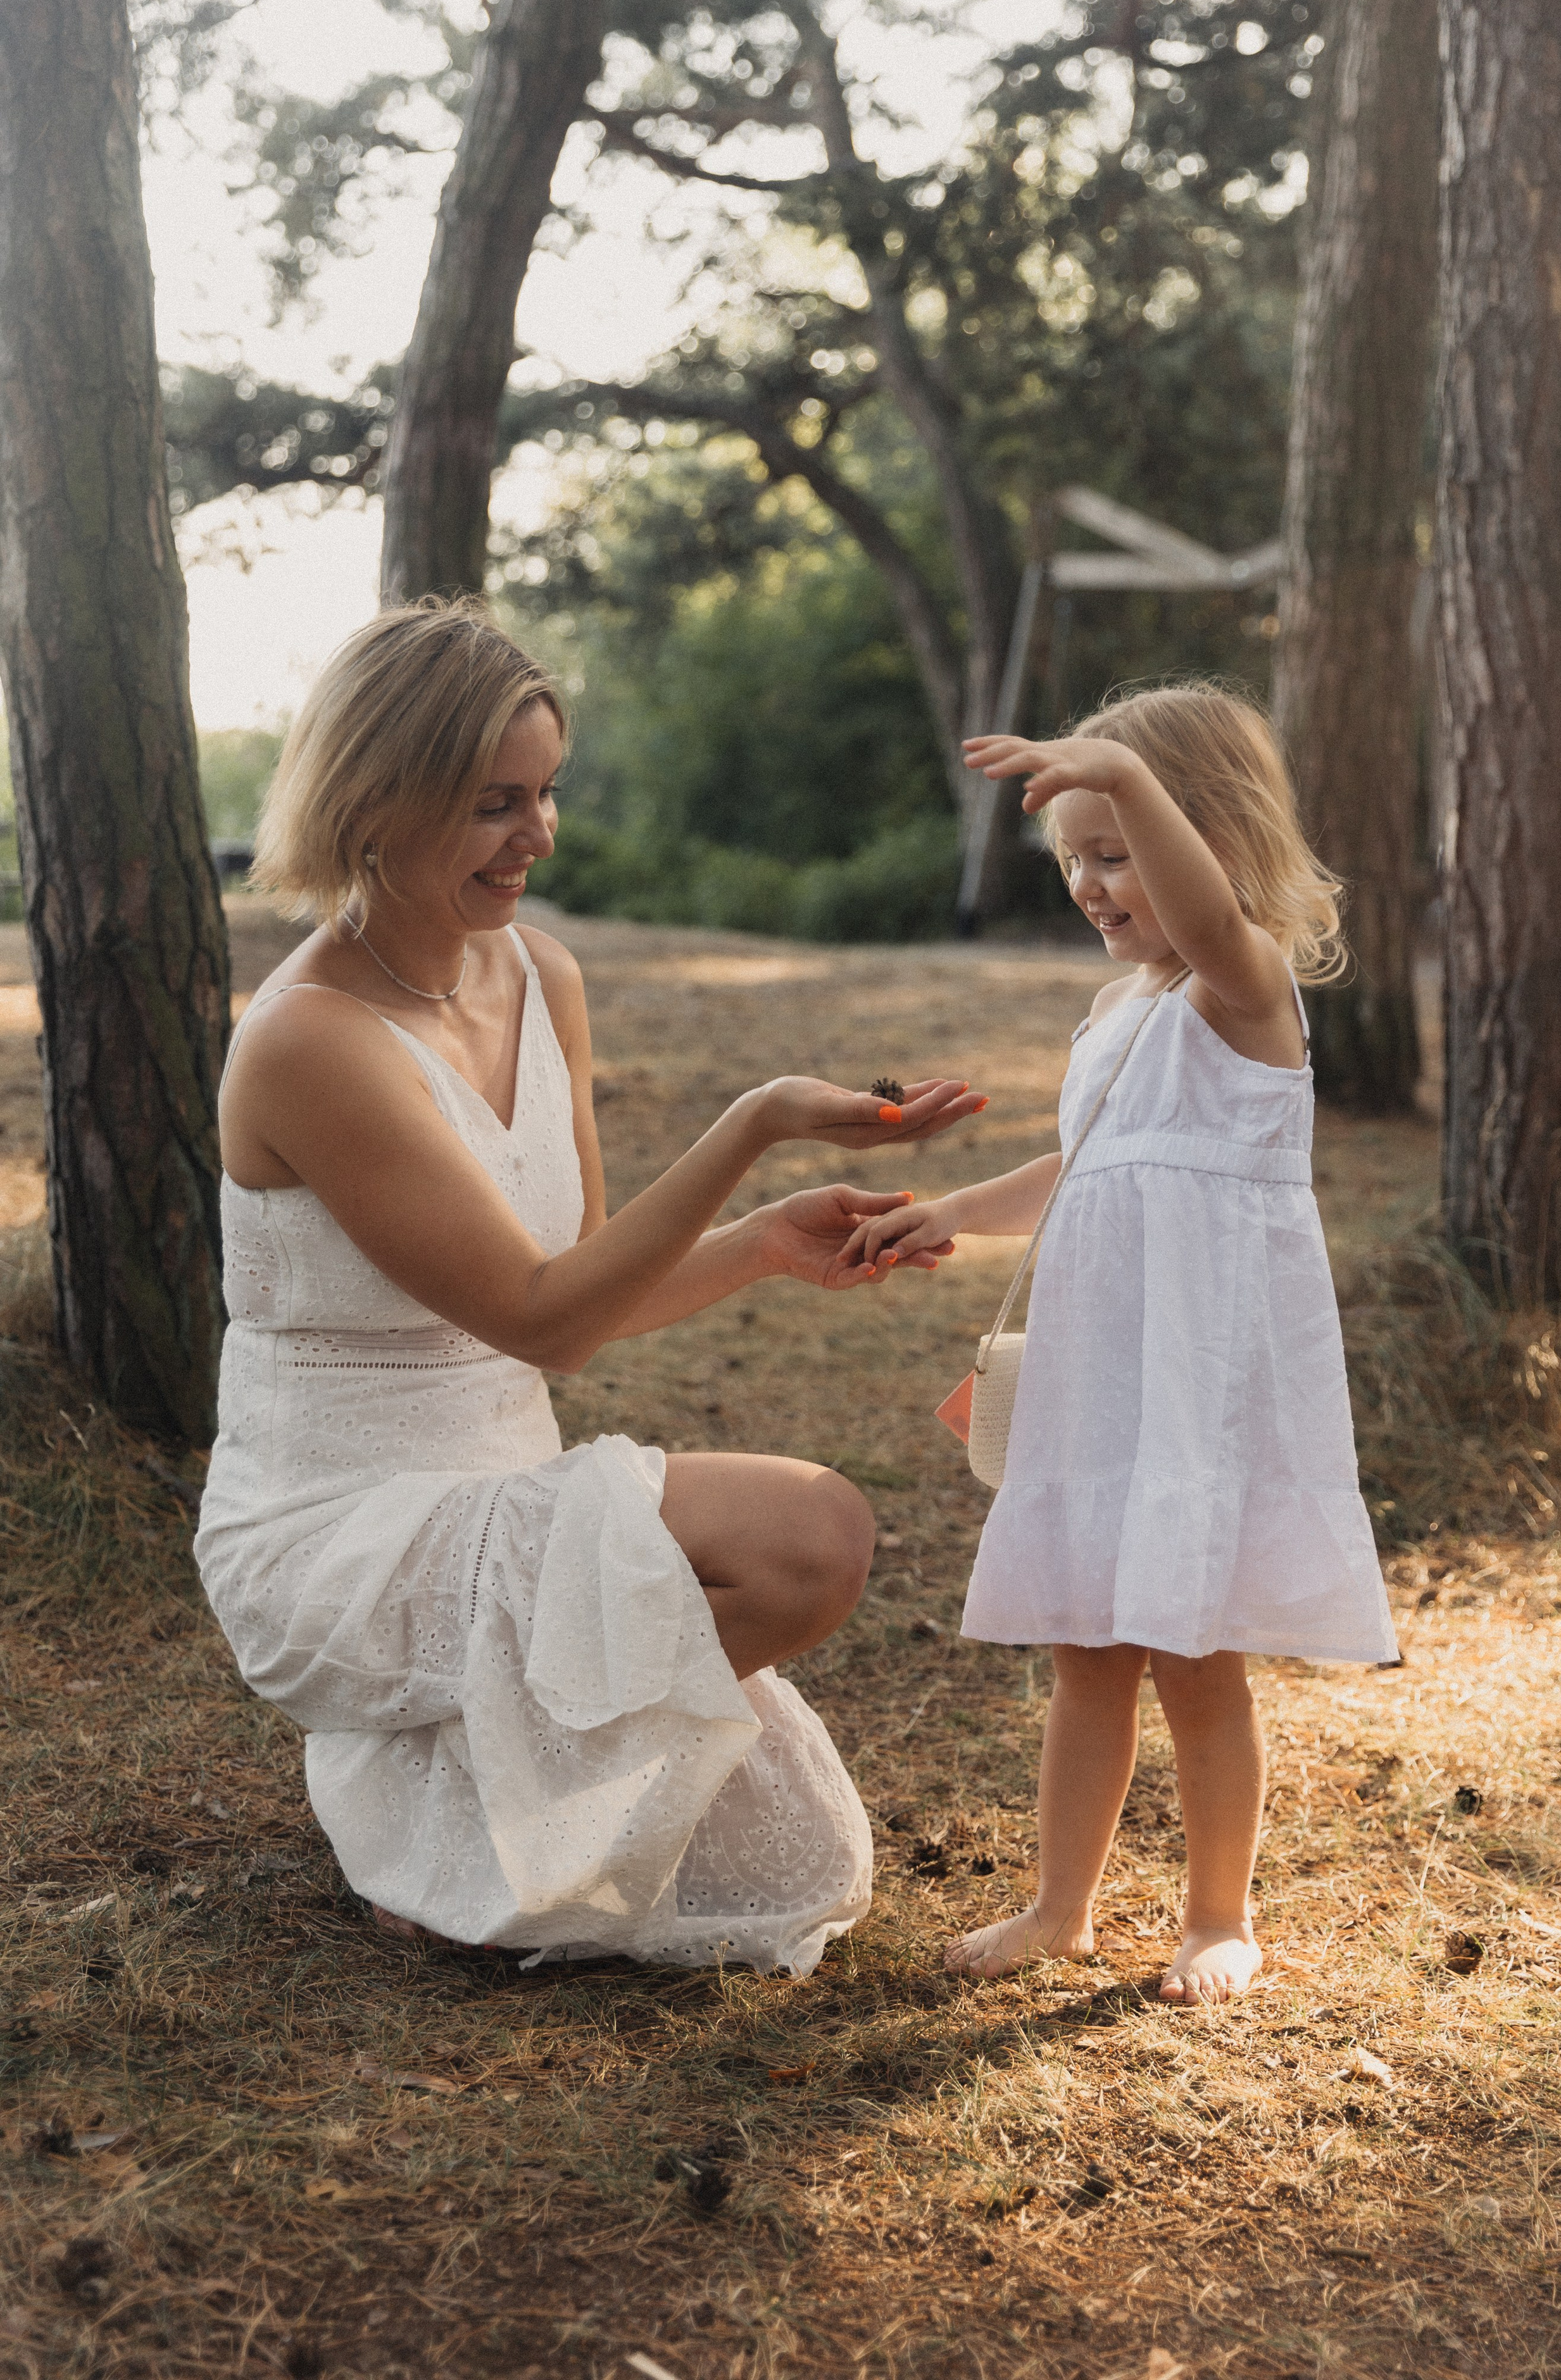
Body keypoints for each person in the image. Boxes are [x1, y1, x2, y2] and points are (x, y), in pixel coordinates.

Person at [196, 598, 982, 1976]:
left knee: (802, 1650)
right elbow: (544, 1318)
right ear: (374, 804)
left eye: (546, 792)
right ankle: (421, 1781)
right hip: (337, 1534)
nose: (540, 836)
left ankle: (445, 1785)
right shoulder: (311, 1040)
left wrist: (761, 1243)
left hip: (501, 1490)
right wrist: (751, 1124)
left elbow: (583, 1285)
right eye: (495, 803)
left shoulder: (540, 974)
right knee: (813, 1536)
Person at [839, 684, 1396, 2003]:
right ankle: (1059, 1908)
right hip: (1106, 1376)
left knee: (1196, 1659)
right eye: (1075, 858)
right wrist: (951, 1214)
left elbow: (1203, 921)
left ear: (1210, 840)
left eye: (1119, 853)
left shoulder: (1242, 986)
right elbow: (1086, 1166)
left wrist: (1127, 777)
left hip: (1198, 1382)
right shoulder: (1116, 1011)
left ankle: (1218, 1918)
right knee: (1084, 1651)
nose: (1091, 885)